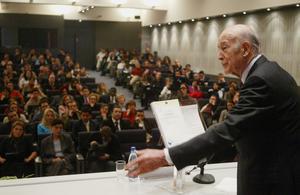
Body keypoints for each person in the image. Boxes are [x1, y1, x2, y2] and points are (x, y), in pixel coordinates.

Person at [126, 24, 300, 195]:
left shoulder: (261, 80)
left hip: (273, 182)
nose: (219, 56)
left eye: (224, 48)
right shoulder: (266, 72)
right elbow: (247, 129)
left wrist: (165, 157)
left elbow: (230, 129)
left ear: (245, 49)